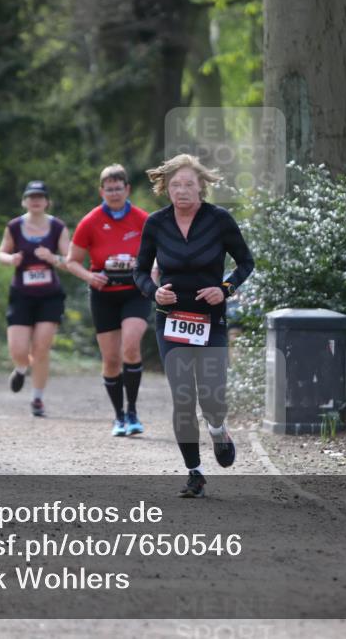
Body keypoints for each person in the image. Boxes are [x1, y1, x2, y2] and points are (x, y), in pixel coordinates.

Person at [134, 154, 254, 498]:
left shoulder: (219, 220)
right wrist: (155, 293)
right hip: (171, 321)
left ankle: (218, 429)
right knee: (183, 397)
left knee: (213, 396)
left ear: (201, 186)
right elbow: (140, 271)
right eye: (175, 185)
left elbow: (246, 261)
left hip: (210, 319)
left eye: (188, 184)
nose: (182, 190)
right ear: (165, 189)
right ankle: (194, 473)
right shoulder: (156, 224)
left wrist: (225, 289)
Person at [65, 164, 150, 437]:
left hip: (135, 293)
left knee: (131, 346)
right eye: (109, 189)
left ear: (128, 189)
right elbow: (72, 261)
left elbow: (159, 253)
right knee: (112, 359)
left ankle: (133, 411)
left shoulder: (143, 219)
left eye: (118, 188)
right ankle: (119, 417)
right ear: (102, 191)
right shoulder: (90, 221)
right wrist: (89, 278)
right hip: (104, 296)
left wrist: (153, 271)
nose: (114, 193)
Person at [0, 180, 70, 417]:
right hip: (21, 295)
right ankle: (20, 368)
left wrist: (52, 257)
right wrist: (11, 259)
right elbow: (1, 253)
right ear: (24, 201)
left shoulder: (58, 227)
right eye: (31, 196)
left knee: (41, 348)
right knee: (18, 350)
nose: (36, 200)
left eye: (40, 196)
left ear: (47, 201)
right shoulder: (15, 226)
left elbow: (70, 260)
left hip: (49, 296)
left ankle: (37, 399)